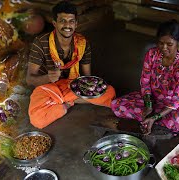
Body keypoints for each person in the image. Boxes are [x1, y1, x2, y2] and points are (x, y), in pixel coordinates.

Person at [26, 1, 116, 129]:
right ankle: (66, 101)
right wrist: (48, 78)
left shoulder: (82, 43)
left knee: (109, 93)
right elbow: (29, 80)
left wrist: (89, 89)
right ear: (54, 23)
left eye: (71, 21)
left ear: (76, 24)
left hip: (73, 86)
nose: (67, 25)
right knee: (37, 119)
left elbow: (87, 77)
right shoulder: (40, 43)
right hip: (48, 89)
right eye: (62, 21)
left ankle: (64, 103)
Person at [111, 19, 179, 135]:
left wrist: (155, 116)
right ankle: (150, 120)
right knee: (116, 105)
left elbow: (176, 100)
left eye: (169, 44)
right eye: (160, 43)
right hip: (150, 99)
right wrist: (148, 106)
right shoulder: (152, 54)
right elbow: (145, 82)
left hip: (170, 106)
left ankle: (150, 120)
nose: (163, 48)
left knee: (176, 121)